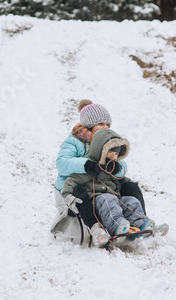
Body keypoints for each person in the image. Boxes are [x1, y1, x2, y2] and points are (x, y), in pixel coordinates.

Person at [55, 100, 147, 243]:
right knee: (82, 192)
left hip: (101, 183)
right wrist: (86, 165)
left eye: (107, 125)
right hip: (76, 183)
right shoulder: (74, 141)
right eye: (101, 124)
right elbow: (62, 163)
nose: (105, 127)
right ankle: (94, 226)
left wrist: (118, 168)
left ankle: (140, 222)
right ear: (89, 125)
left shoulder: (107, 140)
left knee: (130, 186)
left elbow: (120, 158)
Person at [61, 129, 156, 246]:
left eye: (116, 154)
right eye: (110, 152)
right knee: (108, 199)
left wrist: (128, 182)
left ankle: (141, 223)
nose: (114, 157)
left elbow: (122, 181)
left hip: (115, 199)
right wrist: (69, 196)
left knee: (131, 201)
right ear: (100, 150)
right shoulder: (88, 167)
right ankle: (117, 227)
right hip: (96, 201)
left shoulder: (111, 168)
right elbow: (71, 182)